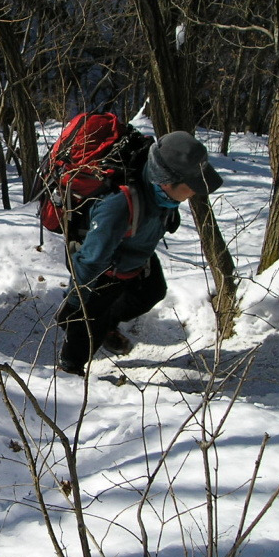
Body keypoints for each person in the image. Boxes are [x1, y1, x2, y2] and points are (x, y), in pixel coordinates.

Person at [56, 131, 223, 376]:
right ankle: (68, 374)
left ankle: (107, 324)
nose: (195, 193)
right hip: (104, 270)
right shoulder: (119, 206)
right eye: (191, 186)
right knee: (88, 327)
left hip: (136, 260)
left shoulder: (162, 197)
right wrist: (74, 302)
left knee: (152, 292)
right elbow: (90, 260)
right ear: (167, 181)